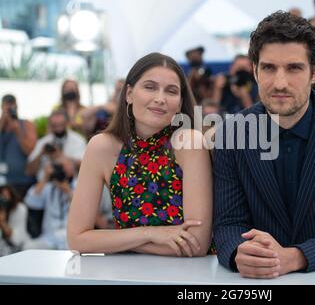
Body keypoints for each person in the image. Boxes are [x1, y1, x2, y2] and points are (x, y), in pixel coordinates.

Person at [213, 11, 315, 278]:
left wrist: (292, 258)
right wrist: (238, 253)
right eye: (269, 68)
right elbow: (228, 223)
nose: (280, 83)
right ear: (254, 71)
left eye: (294, 68)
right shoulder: (231, 133)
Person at [67, 53, 213, 257]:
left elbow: (196, 243)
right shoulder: (101, 147)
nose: (160, 99)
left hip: (187, 276)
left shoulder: (189, 143)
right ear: (129, 94)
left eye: (171, 91)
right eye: (150, 87)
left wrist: (115, 241)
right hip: (125, 275)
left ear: (179, 104)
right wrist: (151, 234)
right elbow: (77, 239)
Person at [23, 157, 76, 250]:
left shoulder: (77, 185)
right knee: (28, 247)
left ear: (72, 169)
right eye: (59, 167)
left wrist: (68, 191)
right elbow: (31, 201)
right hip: (49, 237)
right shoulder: (49, 187)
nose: (62, 170)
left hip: (70, 237)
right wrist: (45, 177)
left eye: (64, 166)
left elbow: (82, 209)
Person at [0, 94, 37, 199]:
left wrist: (18, 132)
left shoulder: (26, 124)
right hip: (3, 182)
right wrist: (3, 121)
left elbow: (31, 152)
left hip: (23, 181)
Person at [0, 184, 30, 256]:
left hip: (19, 246)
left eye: (6, 196)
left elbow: (15, 238)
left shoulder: (20, 208)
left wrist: (2, 222)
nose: (4, 199)